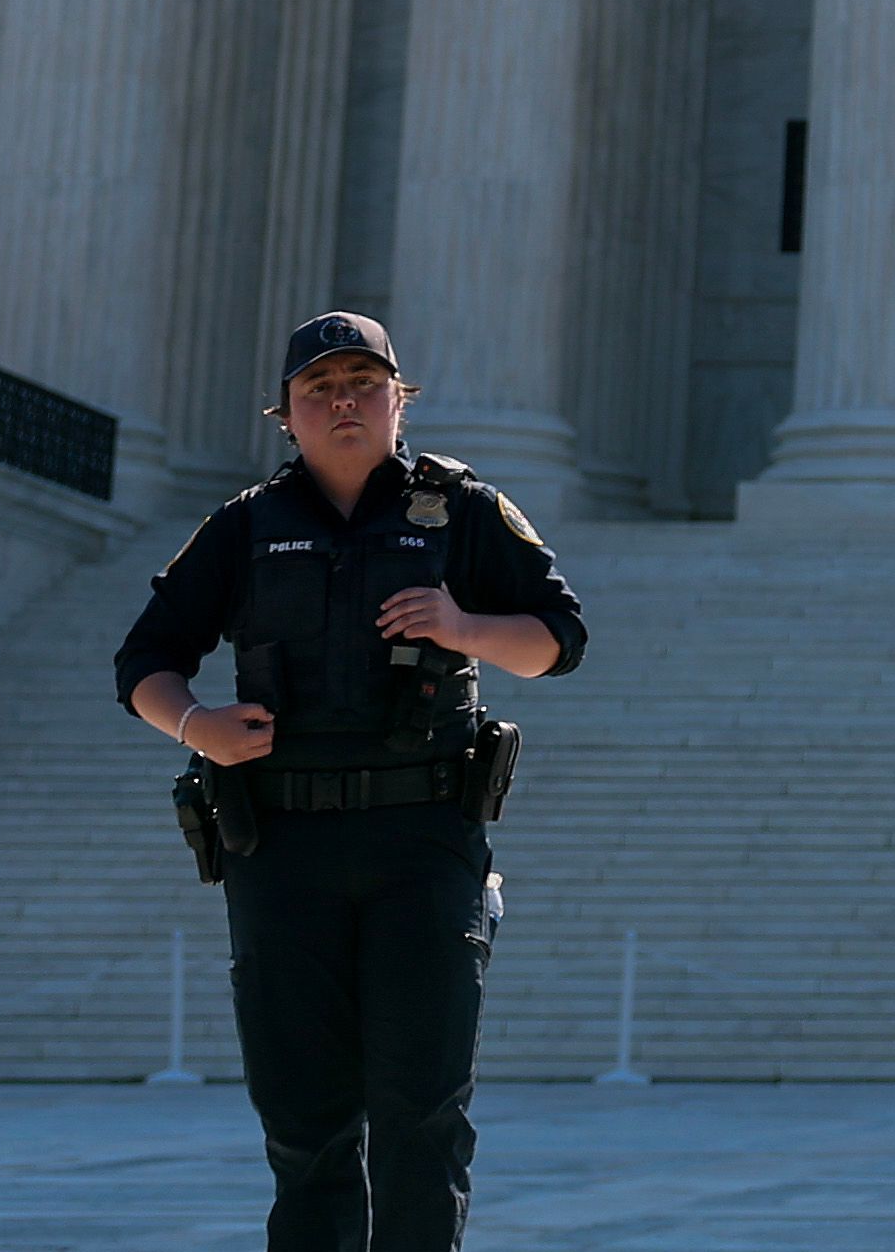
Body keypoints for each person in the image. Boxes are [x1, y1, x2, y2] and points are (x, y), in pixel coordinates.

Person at [119, 312, 586, 1252]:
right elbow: (143, 663)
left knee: (423, 1116)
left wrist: (462, 625)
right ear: (285, 414)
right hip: (282, 850)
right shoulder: (244, 526)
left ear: (398, 398)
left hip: (424, 843)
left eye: (362, 383)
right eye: (318, 388)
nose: (342, 402)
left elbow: (557, 640)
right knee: (305, 1124)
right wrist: (197, 724)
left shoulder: (460, 511)